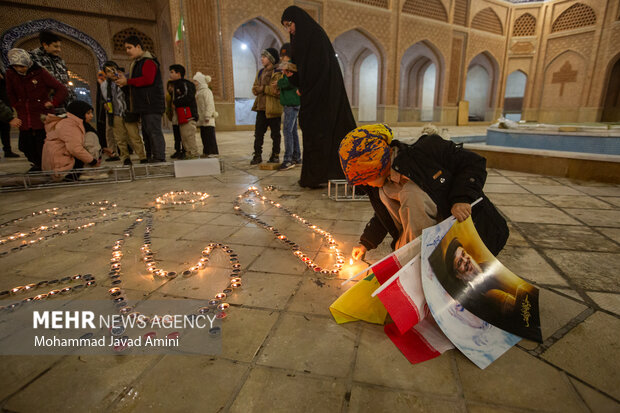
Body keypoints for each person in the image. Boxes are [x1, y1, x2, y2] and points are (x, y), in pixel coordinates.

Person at [337, 124, 509, 260]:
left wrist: (462, 198)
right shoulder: (383, 186)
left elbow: (474, 163)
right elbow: (384, 215)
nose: (366, 184)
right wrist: (365, 243)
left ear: (377, 166)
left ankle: (424, 263)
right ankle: (415, 262)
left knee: (411, 193)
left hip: (472, 239)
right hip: (420, 253)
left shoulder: (427, 150)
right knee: (389, 195)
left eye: (365, 178)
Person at [281, 6, 356, 188]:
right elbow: (305, 75)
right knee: (314, 137)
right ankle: (315, 176)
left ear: (298, 20)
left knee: (323, 136)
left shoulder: (316, 37)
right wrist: (293, 76)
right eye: (286, 26)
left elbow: (320, 72)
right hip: (313, 98)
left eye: (289, 24)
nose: (289, 30)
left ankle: (321, 176)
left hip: (324, 99)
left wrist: (305, 87)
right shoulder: (302, 42)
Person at [5, 48, 68, 172]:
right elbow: (10, 93)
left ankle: (44, 166)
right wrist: (16, 106)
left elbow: (62, 89)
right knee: (24, 145)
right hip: (25, 115)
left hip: (42, 115)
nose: (20, 69)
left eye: (22, 66)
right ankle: (37, 164)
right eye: (17, 66)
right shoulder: (11, 74)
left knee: (43, 145)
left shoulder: (39, 73)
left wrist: (53, 103)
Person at [115, 35, 166, 163]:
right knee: (147, 132)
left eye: (129, 47)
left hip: (151, 104)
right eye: (126, 48)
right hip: (144, 105)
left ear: (138, 47)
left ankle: (159, 156)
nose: (127, 51)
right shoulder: (137, 63)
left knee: (154, 131)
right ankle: (150, 156)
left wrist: (128, 81)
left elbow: (148, 79)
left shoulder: (148, 61)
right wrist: (125, 83)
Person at [101, 61, 147, 166]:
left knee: (134, 136)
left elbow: (132, 94)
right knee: (120, 138)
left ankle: (142, 156)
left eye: (113, 69)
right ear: (105, 74)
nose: (111, 73)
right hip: (115, 114)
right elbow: (103, 99)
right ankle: (125, 158)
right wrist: (104, 104)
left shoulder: (125, 81)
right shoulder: (104, 85)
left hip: (128, 112)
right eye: (108, 71)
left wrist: (124, 83)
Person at [42, 100, 100, 181]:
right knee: (91, 137)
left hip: (57, 165)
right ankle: (87, 171)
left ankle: (85, 171)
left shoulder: (70, 121)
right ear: (80, 113)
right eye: (88, 113)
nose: (91, 116)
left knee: (90, 135)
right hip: (61, 169)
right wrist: (92, 161)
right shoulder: (69, 125)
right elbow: (75, 149)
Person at [250, 48, 282, 165]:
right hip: (261, 108)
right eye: (262, 56)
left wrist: (263, 89)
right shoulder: (260, 72)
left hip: (273, 108)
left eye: (264, 57)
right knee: (258, 134)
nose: (262, 59)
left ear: (271, 59)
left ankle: (275, 155)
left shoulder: (278, 72)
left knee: (275, 134)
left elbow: (277, 91)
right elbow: (254, 87)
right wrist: (257, 90)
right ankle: (257, 155)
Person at [30, 30, 76, 105]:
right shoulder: (33, 59)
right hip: (47, 104)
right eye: (55, 46)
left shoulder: (59, 61)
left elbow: (66, 81)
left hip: (64, 104)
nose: (59, 50)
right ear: (45, 45)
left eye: (59, 47)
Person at [168, 64, 199, 159]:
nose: (170, 74)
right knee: (184, 137)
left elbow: (188, 96)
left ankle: (193, 154)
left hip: (188, 115)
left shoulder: (185, 84)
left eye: (172, 72)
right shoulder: (176, 84)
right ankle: (188, 154)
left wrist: (175, 102)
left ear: (178, 73)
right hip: (181, 115)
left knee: (189, 136)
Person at [276, 61, 301, 170]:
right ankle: (297, 157)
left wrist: (279, 82)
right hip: (291, 105)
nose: (281, 69)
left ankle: (288, 160)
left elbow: (284, 83)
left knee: (287, 131)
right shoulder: (288, 75)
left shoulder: (292, 75)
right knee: (293, 131)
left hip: (291, 105)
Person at [193, 72, 219, 157]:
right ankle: (206, 151)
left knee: (210, 136)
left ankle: (213, 152)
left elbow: (209, 104)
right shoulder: (199, 92)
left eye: (196, 81)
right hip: (202, 118)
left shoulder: (207, 91)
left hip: (208, 118)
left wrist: (207, 116)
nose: (195, 83)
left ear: (200, 82)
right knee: (204, 136)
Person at [0, 60, 20, 158]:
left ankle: (7, 150)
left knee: (5, 129)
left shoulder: (4, 72)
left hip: (5, 105)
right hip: (3, 107)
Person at [166, 80, 184, 159]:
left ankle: (184, 151)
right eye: (169, 87)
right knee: (176, 137)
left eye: (172, 86)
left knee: (182, 136)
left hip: (180, 118)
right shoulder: (168, 96)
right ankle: (177, 150)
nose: (170, 88)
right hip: (174, 119)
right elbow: (169, 108)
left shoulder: (179, 95)